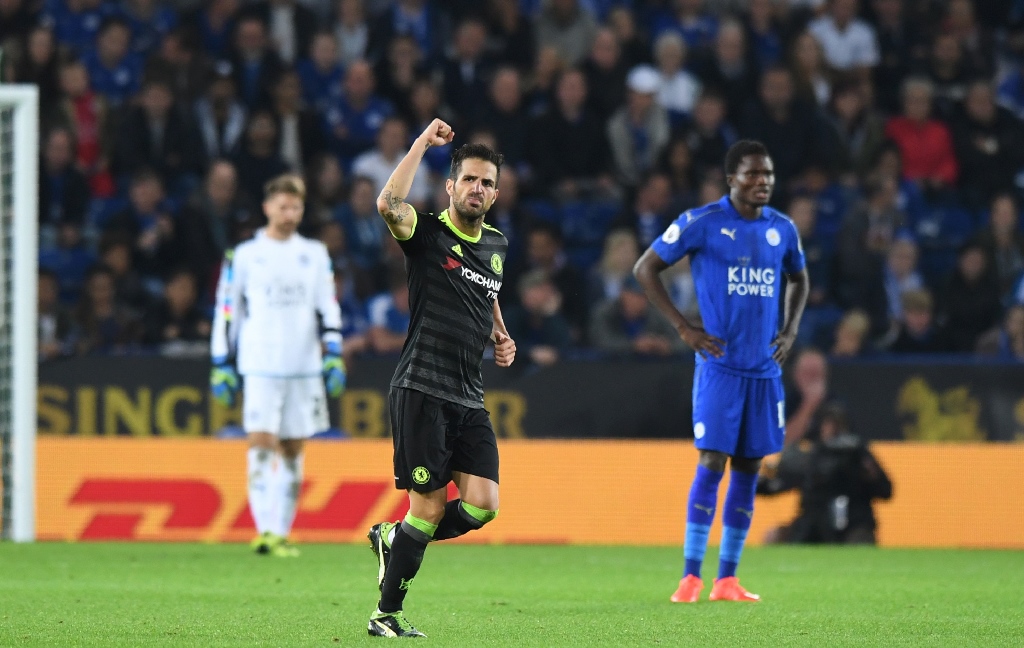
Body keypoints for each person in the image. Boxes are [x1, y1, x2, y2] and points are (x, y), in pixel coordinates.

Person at [633, 140, 809, 603]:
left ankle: (726, 579)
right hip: (720, 368)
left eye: (767, 174)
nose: (762, 182)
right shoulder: (703, 222)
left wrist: (789, 332)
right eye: (752, 174)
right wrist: (683, 328)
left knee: (750, 468)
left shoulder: (782, 229)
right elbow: (645, 268)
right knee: (712, 461)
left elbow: (800, 277)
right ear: (731, 179)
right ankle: (691, 576)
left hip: (765, 372)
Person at [365, 119, 516, 638]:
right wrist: (420, 145)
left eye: (487, 183)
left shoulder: (496, 244)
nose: (478, 189)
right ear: (451, 186)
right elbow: (388, 204)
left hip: (468, 397)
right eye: (469, 180)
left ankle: (395, 537)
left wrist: (501, 333)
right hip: (422, 389)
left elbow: (487, 288)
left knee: (483, 505)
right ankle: (385, 613)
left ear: (496, 193)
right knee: (427, 507)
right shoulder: (426, 234)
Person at [209, 174, 347, 558]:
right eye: (283, 206)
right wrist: (222, 360)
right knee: (261, 441)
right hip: (260, 362)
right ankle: (264, 529)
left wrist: (333, 351)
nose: (289, 214)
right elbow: (226, 309)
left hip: (303, 365)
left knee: (292, 448)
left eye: (296, 207)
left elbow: (327, 305)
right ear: (267, 208)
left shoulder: (315, 253)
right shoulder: (245, 254)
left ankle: (282, 531)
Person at [758, 402, 893, 544]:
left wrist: (871, 476)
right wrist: (760, 482)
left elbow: (886, 490)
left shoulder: (858, 455)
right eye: (828, 425)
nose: (832, 431)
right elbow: (779, 484)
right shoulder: (812, 457)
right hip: (813, 526)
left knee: (860, 541)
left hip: (852, 524)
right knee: (774, 536)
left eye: (837, 426)